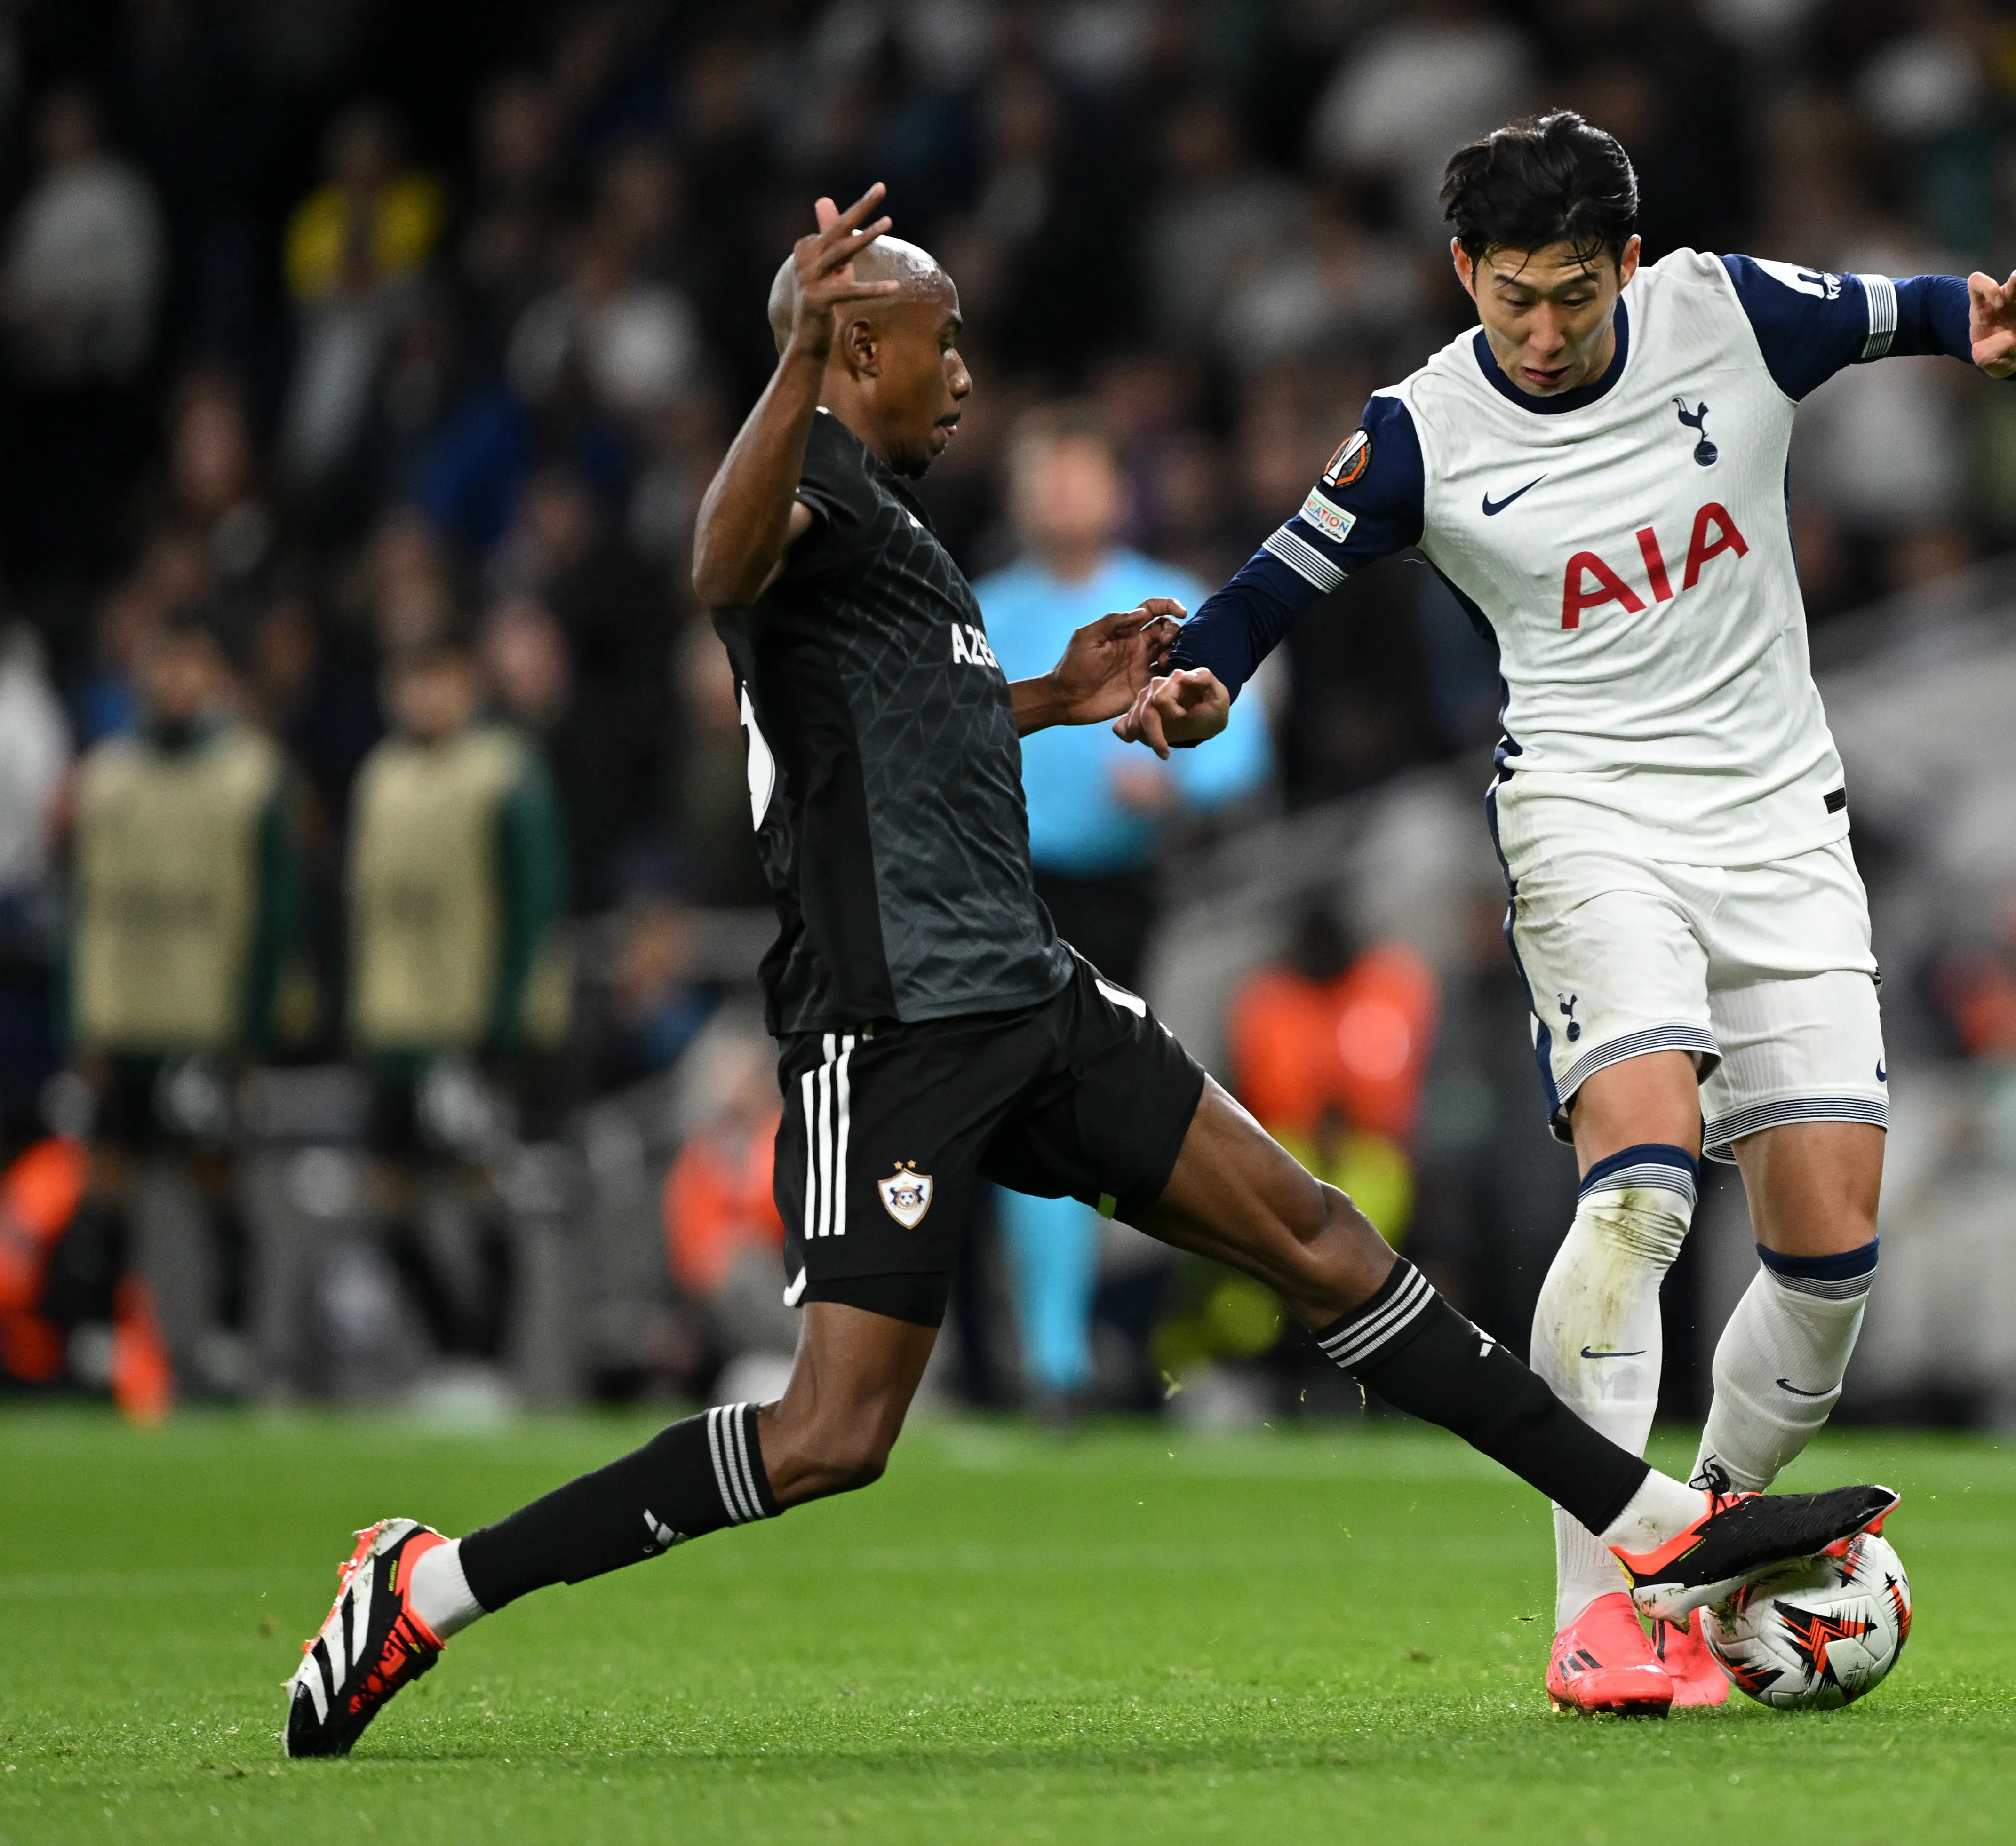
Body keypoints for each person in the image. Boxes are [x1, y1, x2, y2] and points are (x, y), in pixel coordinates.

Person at [283, 186, 1894, 1758]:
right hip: (889, 1032)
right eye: (938, 341)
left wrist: (1050, 697)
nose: (963, 371)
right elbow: (716, 562)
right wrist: (787, 361)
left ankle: (1649, 1523)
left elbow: (894, 738)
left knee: (1322, 1242)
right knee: (832, 1432)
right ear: (852, 351)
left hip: (1029, 997)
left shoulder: (892, 531)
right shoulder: (805, 491)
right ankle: (429, 1584)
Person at [1120, 111, 2016, 1715]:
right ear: (1462, 274)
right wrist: (1203, 676)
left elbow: (1903, 309)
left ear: (1627, 263)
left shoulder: (1726, 312)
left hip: (1777, 824)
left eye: (1575, 293)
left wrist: (1978, 326)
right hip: (1588, 820)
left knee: (1829, 1267)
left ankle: (1693, 1550)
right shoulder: (1421, 429)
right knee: (1640, 1188)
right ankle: (1593, 1615)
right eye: (1512, 297)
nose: (1545, 331)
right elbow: (1272, 582)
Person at [973, 404, 1272, 1419]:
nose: (1062, 495)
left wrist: (1177, 778)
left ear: (1115, 489)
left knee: (1111, 1116)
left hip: (1132, 899)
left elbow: (1239, 746)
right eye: (1045, 476)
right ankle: (1052, 1354)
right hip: (1008, 890)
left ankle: (1097, 1343)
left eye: (1080, 474)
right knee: (1030, 1110)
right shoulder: (984, 610)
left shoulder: (1165, 603)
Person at [65, 612, 297, 1402]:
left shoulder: (249, 776)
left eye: (192, 666)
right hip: (124, 1018)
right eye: (164, 666)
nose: (176, 683)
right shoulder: (107, 777)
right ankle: (97, 1348)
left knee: (215, 1186)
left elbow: (274, 912)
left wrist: (252, 1029)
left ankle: (230, 1348)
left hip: (205, 1021)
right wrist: (80, 1017)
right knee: (105, 1188)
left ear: (216, 678)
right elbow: (81, 906)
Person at [343, 640, 567, 1368]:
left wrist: (504, 1021)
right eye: (410, 681)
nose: (423, 698)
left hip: (470, 1024)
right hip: (393, 1024)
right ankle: (448, 1350)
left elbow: (532, 901)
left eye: (436, 681)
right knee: (387, 1197)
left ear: (466, 685)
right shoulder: (381, 776)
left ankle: (488, 1357)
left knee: (481, 1188)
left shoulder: (503, 773)